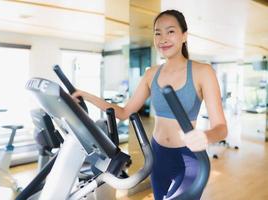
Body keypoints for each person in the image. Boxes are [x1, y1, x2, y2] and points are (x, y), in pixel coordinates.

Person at [72, 9, 227, 200]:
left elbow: (221, 128)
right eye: (157, 33)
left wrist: (205, 136)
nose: (163, 39)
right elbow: (123, 112)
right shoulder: (151, 74)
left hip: (190, 159)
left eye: (170, 31)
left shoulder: (203, 72)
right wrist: (86, 96)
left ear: (184, 36)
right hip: (158, 154)